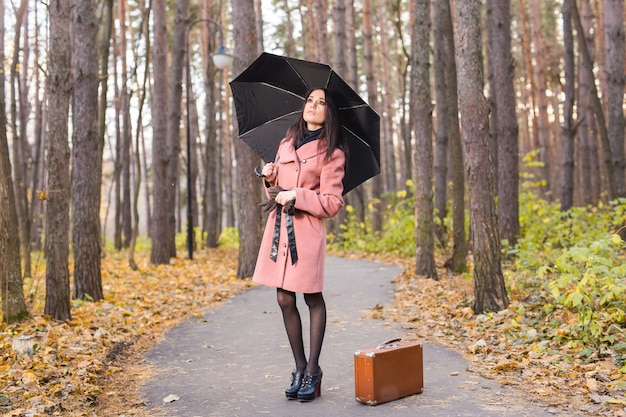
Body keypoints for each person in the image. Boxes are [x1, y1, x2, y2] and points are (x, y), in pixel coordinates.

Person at [252, 88, 347, 402]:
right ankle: (299, 367)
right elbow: (276, 192)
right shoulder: (287, 142)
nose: (313, 106)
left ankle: (313, 370)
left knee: (312, 297)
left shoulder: (333, 152)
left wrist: (298, 195)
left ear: (328, 112)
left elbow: (332, 203)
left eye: (321, 103)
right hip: (279, 228)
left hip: (305, 232)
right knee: (283, 297)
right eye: (310, 100)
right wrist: (270, 179)